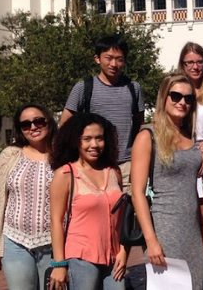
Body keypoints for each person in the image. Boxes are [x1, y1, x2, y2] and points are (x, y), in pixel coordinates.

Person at [129, 74, 203, 290]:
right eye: (176, 96)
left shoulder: (189, 135)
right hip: (165, 231)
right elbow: (137, 193)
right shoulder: (147, 136)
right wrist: (151, 240)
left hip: (193, 232)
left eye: (188, 98)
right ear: (164, 97)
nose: (182, 102)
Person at [47, 113, 128, 290]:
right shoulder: (65, 174)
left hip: (114, 257)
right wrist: (59, 264)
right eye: (87, 139)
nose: (94, 145)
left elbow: (121, 218)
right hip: (81, 256)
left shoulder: (113, 171)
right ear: (76, 141)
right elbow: (56, 221)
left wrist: (123, 250)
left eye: (99, 138)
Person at [59, 35, 146, 193]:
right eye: (109, 58)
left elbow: (139, 126)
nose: (114, 64)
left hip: (126, 165)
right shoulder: (83, 88)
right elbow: (65, 125)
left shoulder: (134, 89)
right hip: (93, 164)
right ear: (97, 59)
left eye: (119, 59)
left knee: (125, 213)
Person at [0, 103, 58, 290]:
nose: (33, 127)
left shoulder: (63, 155)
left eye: (38, 121)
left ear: (48, 122)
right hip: (15, 241)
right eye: (25, 124)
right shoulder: (10, 155)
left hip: (54, 243)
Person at [177, 42, 203, 204]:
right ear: (183, 65)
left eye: (199, 62)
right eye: (190, 62)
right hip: (182, 152)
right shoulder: (175, 93)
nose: (195, 67)